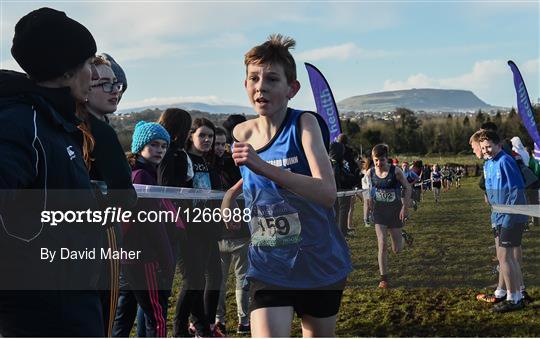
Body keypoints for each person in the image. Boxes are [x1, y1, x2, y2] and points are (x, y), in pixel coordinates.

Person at [221, 34, 352, 337]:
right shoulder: (241, 132)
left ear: (291, 88)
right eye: (253, 78)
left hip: (317, 261)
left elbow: (327, 193)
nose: (261, 86)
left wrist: (261, 165)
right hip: (269, 264)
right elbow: (256, 176)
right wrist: (231, 195)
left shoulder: (304, 124)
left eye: (272, 79)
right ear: (245, 85)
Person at [0, 7, 104, 336]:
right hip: (41, 311)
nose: (94, 74)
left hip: (73, 297)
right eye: (89, 64)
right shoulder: (20, 124)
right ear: (65, 72)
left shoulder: (54, 122)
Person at [76, 55, 137, 337]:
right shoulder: (101, 132)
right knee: (103, 317)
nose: (115, 90)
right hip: (102, 236)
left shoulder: (71, 126)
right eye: (104, 84)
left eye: (116, 84)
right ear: (84, 87)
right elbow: (124, 193)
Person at [112, 121, 173, 337]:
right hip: (144, 257)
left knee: (123, 316)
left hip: (128, 256)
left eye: (164, 146)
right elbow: (153, 224)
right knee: (156, 317)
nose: (160, 150)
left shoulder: (139, 172)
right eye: (154, 145)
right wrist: (167, 260)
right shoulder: (142, 177)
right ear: (140, 146)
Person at [174, 118, 223, 338]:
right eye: (202, 135)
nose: (207, 140)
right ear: (191, 136)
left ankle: (204, 326)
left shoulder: (209, 162)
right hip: (188, 230)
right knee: (192, 281)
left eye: (210, 136)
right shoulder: (183, 160)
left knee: (213, 277)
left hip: (208, 229)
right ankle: (179, 329)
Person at [478, 129, 528, 312]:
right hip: (498, 215)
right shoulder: (488, 163)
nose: (486, 150)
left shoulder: (505, 161)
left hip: (511, 215)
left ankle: (514, 298)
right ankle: (515, 296)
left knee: (505, 257)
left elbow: (516, 189)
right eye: (483, 148)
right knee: (504, 257)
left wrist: (508, 216)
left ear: (499, 145)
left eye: (489, 147)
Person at [213, 127, 251, 335]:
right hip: (221, 233)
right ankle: (226, 319)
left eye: (221, 143)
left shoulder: (223, 166)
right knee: (227, 279)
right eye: (215, 143)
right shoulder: (239, 166)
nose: (218, 147)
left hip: (238, 232)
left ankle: (239, 320)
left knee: (238, 278)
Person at [365, 144, 412, 289]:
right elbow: (366, 192)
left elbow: (408, 187)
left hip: (395, 211)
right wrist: (368, 208)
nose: (379, 163)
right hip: (379, 212)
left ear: (387, 159)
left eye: (382, 160)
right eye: (376, 160)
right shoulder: (370, 173)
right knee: (382, 244)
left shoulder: (396, 171)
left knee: (396, 249)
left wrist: (405, 207)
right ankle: (383, 279)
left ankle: (403, 236)